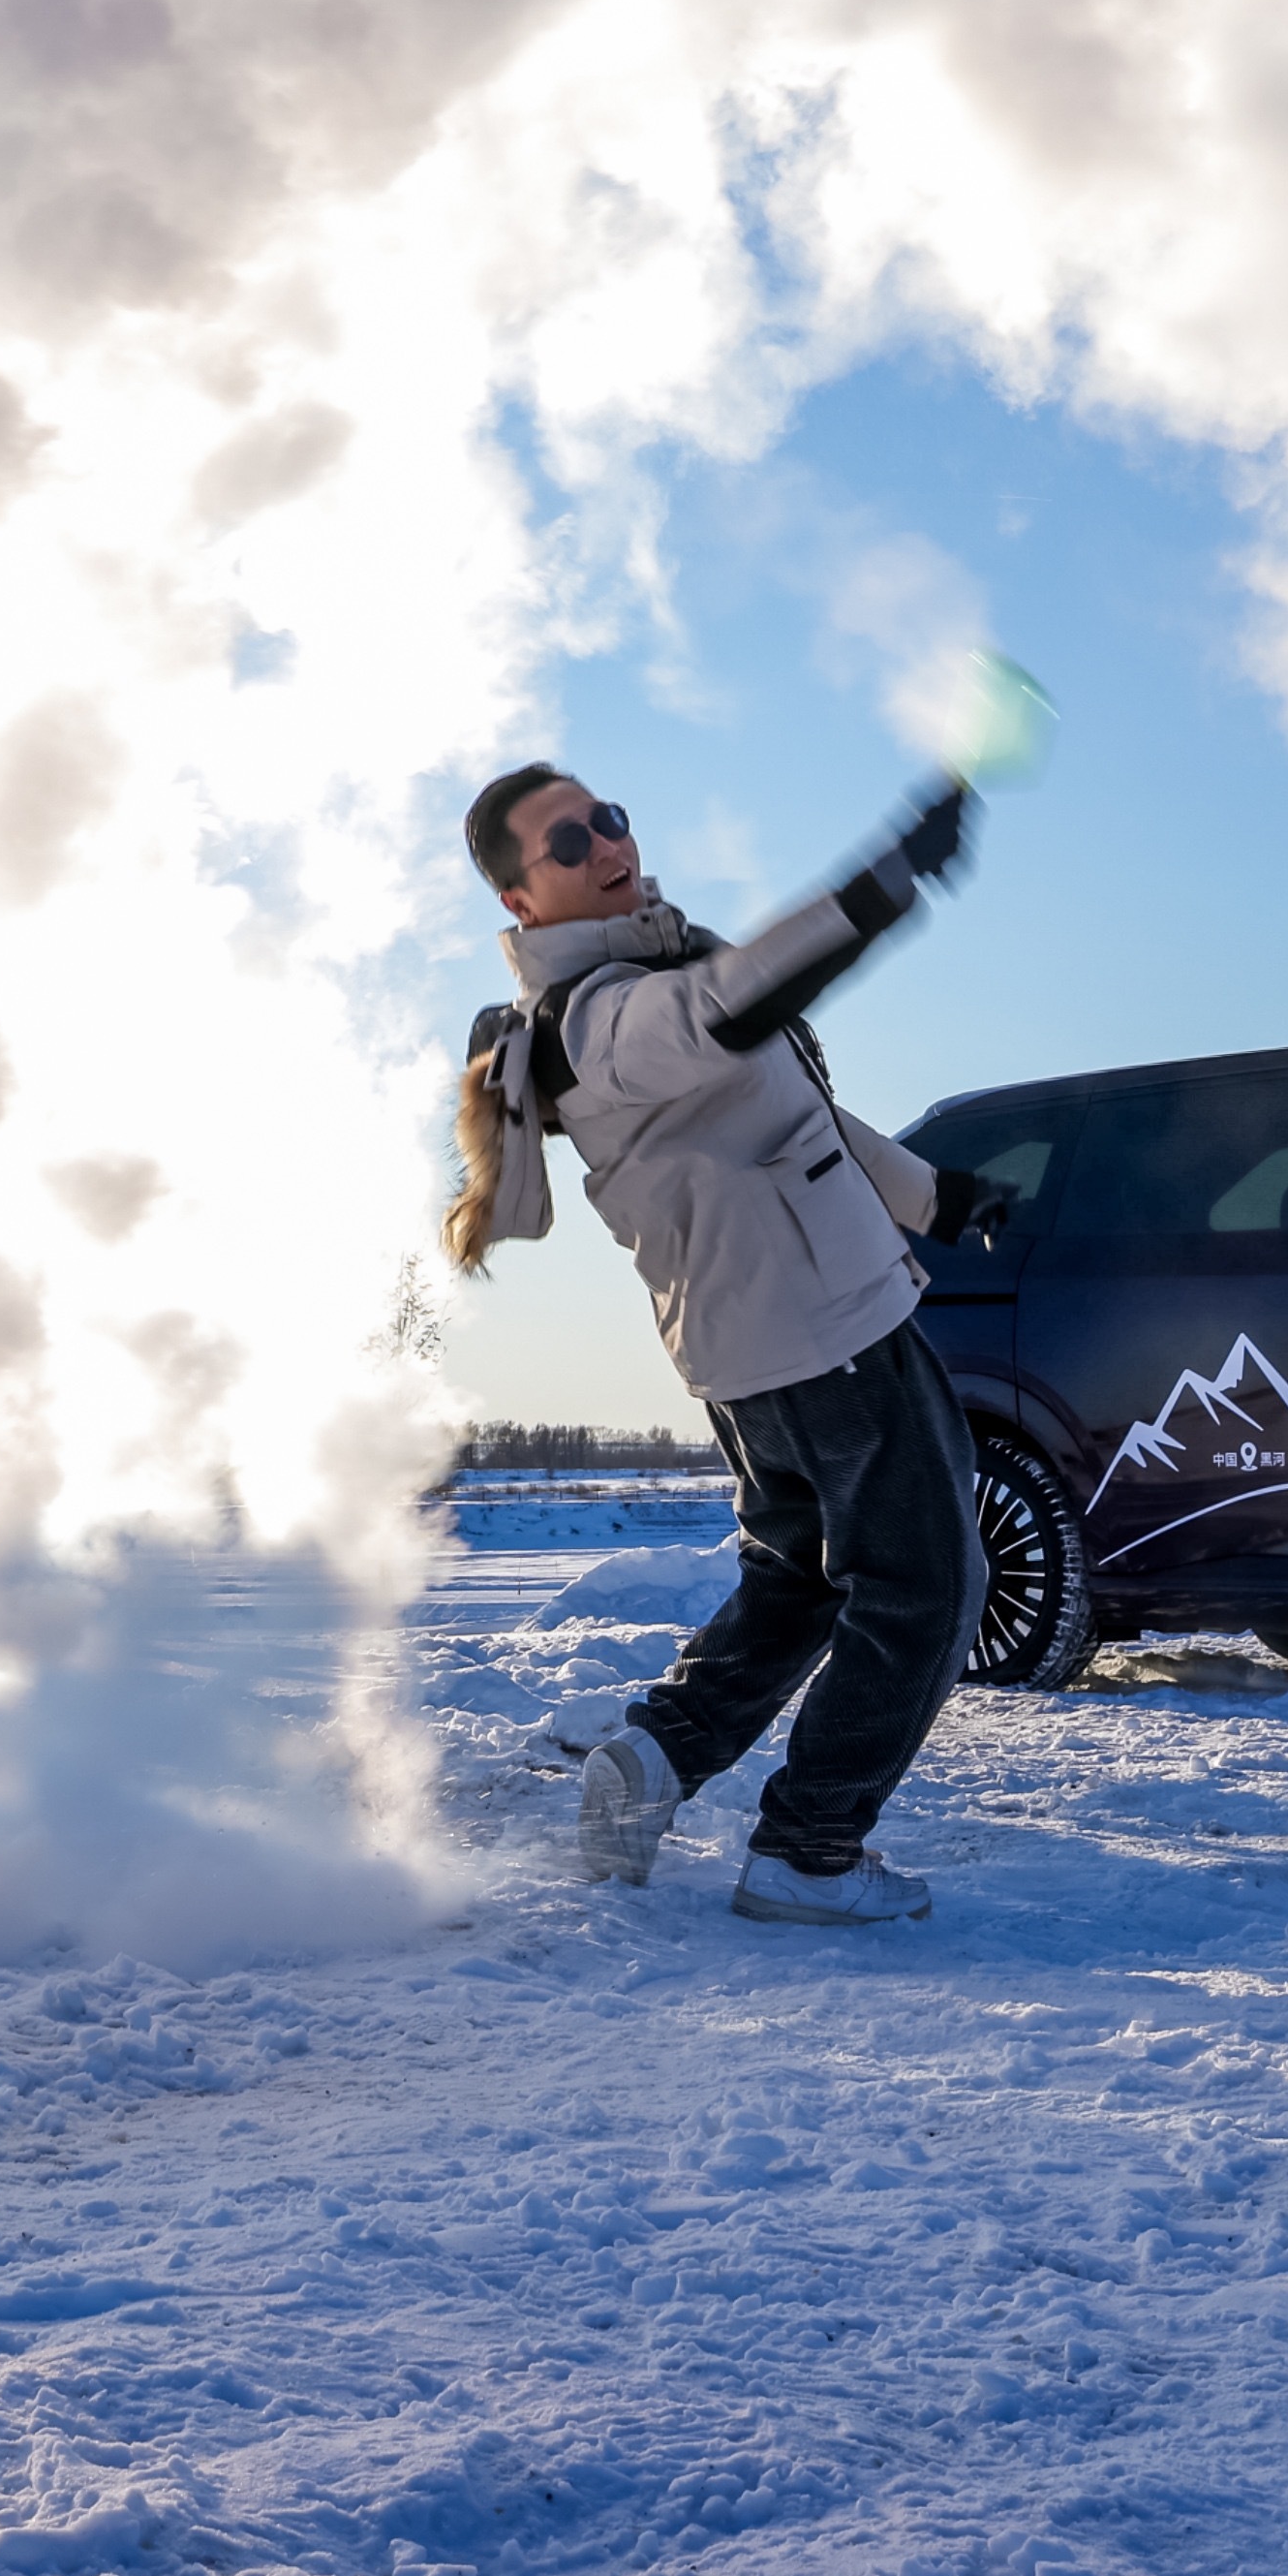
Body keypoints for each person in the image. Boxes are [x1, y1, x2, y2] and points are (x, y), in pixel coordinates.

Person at [440, 760, 1006, 1925]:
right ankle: (810, 1846)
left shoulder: (636, 982)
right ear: (519, 900)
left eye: (608, 818)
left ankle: (655, 1755)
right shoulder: (598, 1016)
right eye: (566, 841)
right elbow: (727, 1008)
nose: (606, 843)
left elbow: (797, 1117)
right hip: (827, 1325)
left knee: (796, 1580)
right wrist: (878, 885)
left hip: (758, 1340)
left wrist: (936, 1198)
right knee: (928, 1585)